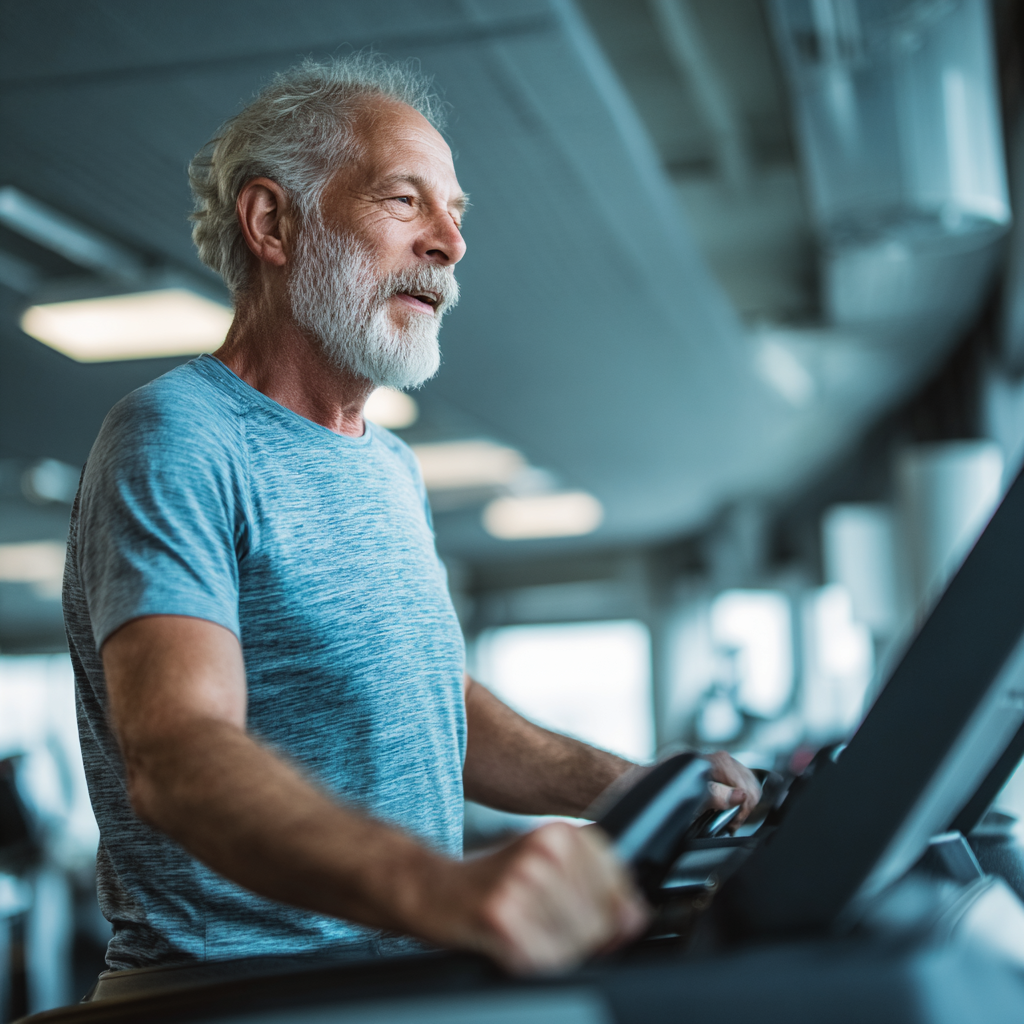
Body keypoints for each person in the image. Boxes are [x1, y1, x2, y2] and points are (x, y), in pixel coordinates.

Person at [63, 55, 760, 981]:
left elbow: (431, 707)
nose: (451, 244)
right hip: (233, 990)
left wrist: (626, 787)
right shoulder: (180, 435)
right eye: (404, 201)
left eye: (457, 214)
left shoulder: (388, 464)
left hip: (390, 976)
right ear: (273, 223)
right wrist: (443, 888)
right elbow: (178, 755)